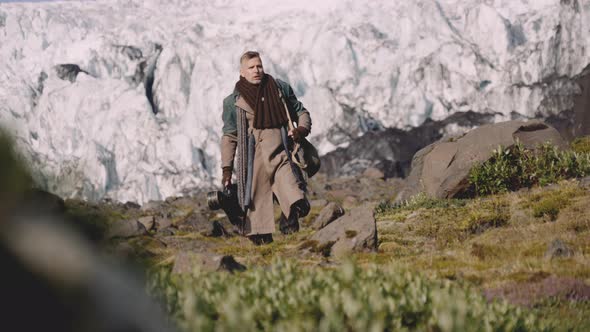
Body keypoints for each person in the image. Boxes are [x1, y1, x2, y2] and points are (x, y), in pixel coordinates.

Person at [220, 51, 311, 245]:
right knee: (257, 211)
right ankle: (263, 245)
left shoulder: (280, 89)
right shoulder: (232, 102)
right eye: (251, 67)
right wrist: (226, 169)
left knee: (295, 195)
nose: (256, 70)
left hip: (283, 151)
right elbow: (229, 136)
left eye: (259, 66)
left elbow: (301, 111)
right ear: (242, 72)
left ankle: (291, 237)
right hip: (254, 159)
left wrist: (301, 129)